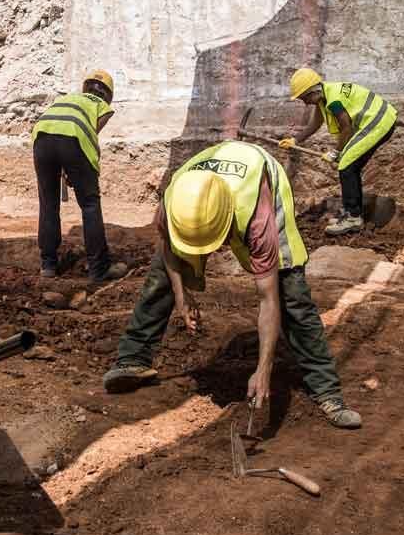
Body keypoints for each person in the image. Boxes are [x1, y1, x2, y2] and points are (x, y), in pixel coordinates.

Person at [101, 140, 362, 429]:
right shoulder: (174, 201)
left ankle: (327, 391)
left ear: (227, 224)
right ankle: (132, 358)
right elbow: (168, 248)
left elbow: (268, 299)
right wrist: (180, 294)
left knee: (292, 293)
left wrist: (264, 369)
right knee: (160, 277)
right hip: (209, 182)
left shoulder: (257, 218)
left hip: (260, 180)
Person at [31, 70, 128, 283]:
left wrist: (68, 166)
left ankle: (48, 265)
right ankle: (99, 268)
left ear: (85, 87)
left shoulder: (66, 98)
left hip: (42, 137)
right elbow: (90, 133)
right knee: (90, 204)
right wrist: (79, 171)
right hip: (74, 140)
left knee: (48, 204)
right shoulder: (102, 106)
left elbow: (59, 129)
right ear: (108, 94)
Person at [279, 69, 397, 236]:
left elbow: (346, 127)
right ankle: (353, 213)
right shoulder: (325, 95)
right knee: (349, 166)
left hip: (378, 121)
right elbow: (316, 122)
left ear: (313, 91)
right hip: (377, 120)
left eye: (305, 98)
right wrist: (295, 140)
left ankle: (353, 218)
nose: (305, 103)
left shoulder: (333, 99)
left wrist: (336, 152)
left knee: (346, 166)